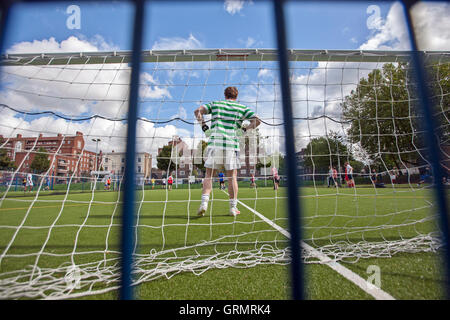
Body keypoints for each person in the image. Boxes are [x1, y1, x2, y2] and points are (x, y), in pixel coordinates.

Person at [195, 86, 261, 217]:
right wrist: (243, 131)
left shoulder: (216, 104)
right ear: (237, 96)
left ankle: (204, 204)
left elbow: (197, 111)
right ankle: (233, 208)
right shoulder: (242, 108)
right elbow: (257, 121)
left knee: (209, 175)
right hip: (232, 145)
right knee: (232, 177)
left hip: (215, 143)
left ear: (225, 95)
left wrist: (204, 127)